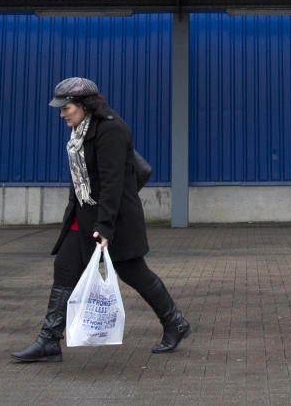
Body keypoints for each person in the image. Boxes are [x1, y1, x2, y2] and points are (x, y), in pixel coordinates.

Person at [11, 77, 191, 363]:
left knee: (134, 272)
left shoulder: (111, 130)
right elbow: (83, 180)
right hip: (84, 215)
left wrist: (104, 227)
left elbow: (112, 183)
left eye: (65, 108)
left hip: (114, 218)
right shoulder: (80, 132)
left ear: (84, 105)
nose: (62, 114)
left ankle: (175, 323)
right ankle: (49, 339)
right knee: (65, 267)